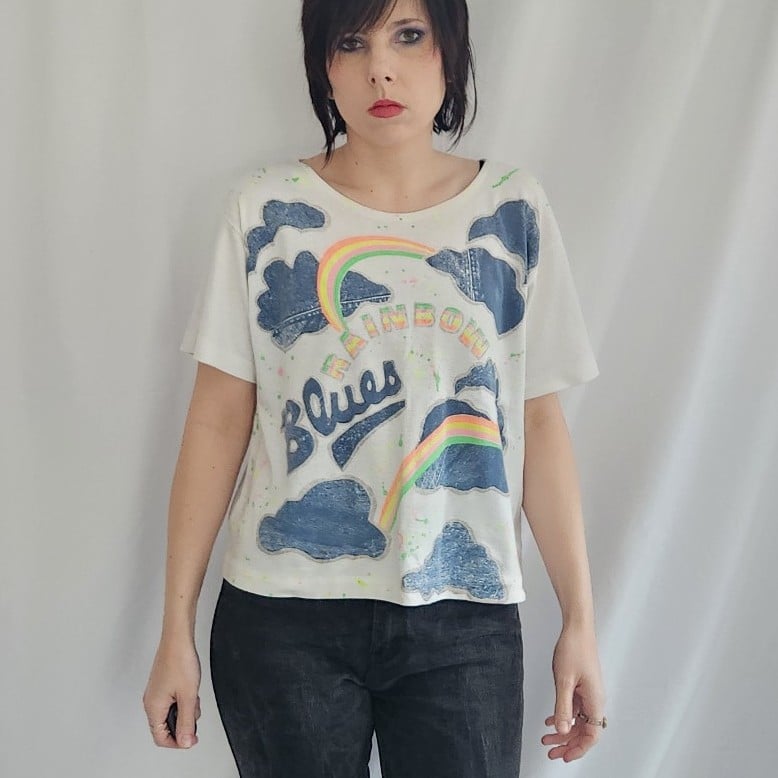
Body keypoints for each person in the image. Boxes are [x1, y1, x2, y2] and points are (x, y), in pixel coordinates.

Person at [142, 0, 607, 775]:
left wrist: (580, 622)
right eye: (352, 43)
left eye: (408, 36)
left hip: (465, 615)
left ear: (450, 52)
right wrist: (174, 632)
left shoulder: (511, 210)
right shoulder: (263, 211)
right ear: (322, 65)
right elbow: (218, 420)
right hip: (282, 618)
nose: (380, 69)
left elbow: (537, 422)